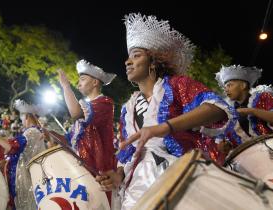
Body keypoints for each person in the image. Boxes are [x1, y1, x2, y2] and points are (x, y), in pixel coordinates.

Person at [96, 13, 237, 210]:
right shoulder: (128, 108)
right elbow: (127, 156)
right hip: (135, 188)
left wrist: (165, 127)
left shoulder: (177, 85)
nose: (128, 62)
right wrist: (118, 176)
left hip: (178, 176)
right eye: (128, 57)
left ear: (152, 62)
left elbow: (218, 109)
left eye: (136, 56)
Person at [58, 59, 117, 204]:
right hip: (83, 169)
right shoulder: (86, 107)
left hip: (99, 169)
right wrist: (49, 134)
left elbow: (76, 113)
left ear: (95, 82)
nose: (78, 83)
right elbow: (70, 138)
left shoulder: (105, 102)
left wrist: (66, 87)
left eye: (83, 79)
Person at [0, 99, 46, 210]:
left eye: (22, 117)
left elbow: (12, 147)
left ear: (26, 117)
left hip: (24, 180)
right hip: (25, 177)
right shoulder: (36, 132)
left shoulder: (31, 132)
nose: (21, 120)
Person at [215, 65, 273, 145]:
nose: (226, 90)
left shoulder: (262, 97)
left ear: (243, 86)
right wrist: (226, 145)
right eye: (225, 87)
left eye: (229, 85)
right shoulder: (231, 111)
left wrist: (252, 111)